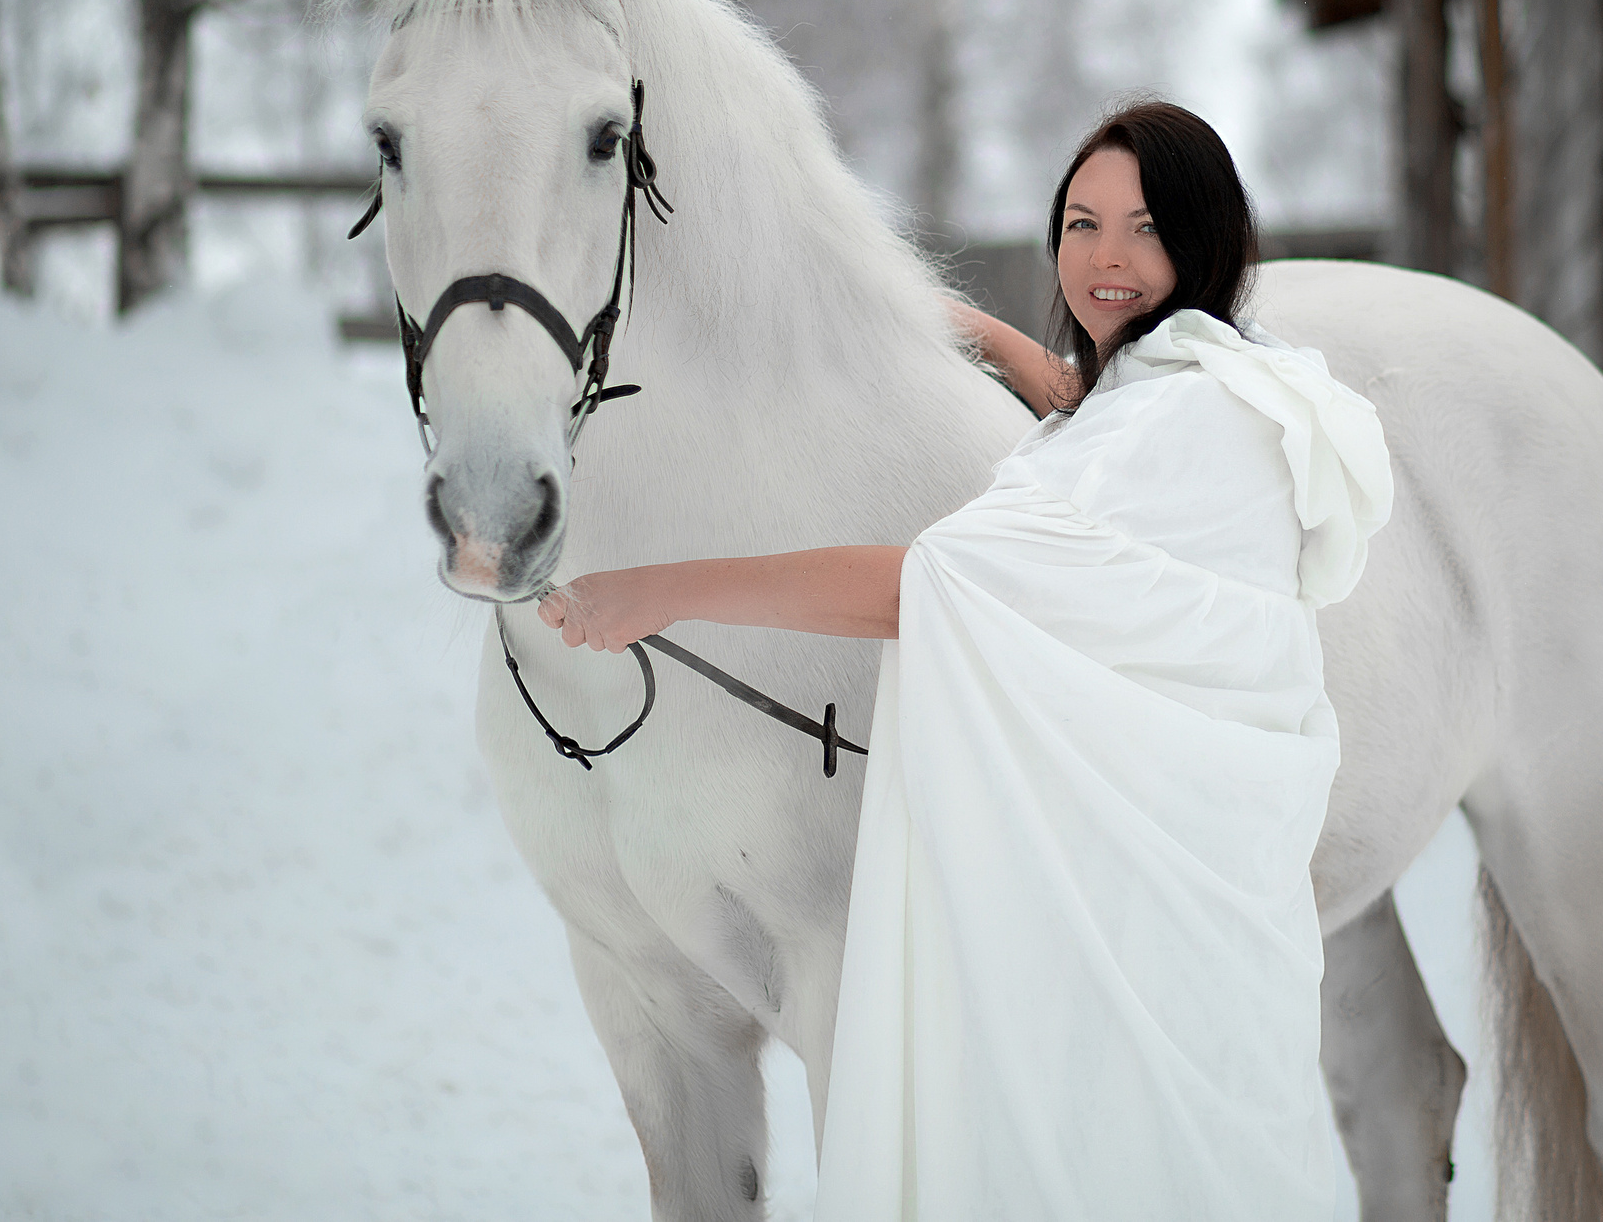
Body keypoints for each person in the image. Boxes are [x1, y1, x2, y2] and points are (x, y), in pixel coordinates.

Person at [540, 101, 1392, 1220]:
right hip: (1200, 938)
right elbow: (1099, 443)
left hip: (1145, 946)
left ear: (1207, 240)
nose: (1107, 257)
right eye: (1082, 224)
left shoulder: (1171, 431)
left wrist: (663, 591)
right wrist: (988, 338)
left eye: (1145, 228)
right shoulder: (1226, 387)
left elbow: (927, 588)